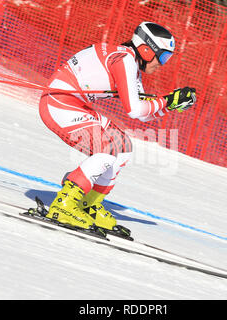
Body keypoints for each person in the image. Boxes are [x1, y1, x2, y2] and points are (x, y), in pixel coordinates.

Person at [39, 21, 196, 234]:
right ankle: (64, 203)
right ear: (146, 49)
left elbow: (143, 115)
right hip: (59, 104)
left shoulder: (129, 61)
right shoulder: (125, 61)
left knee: (123, 147)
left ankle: (88, 204)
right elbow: (134, 110)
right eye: (163, 56)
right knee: (106, 151)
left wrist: (169, 104)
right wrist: (166, 101)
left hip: (74, 104)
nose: (162, 63)